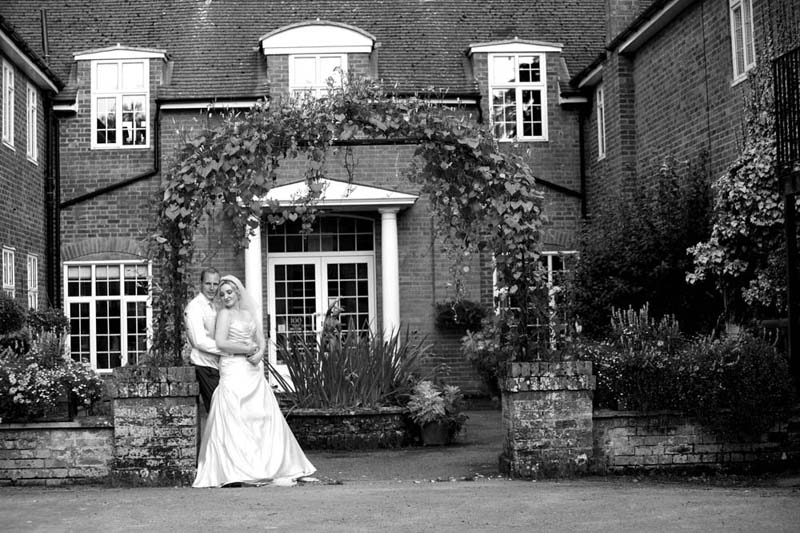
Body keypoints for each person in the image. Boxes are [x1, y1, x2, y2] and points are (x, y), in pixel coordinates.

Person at [193, 275, 316, 488]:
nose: (225, 296)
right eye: (222, 294)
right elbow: (221, 342)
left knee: (260, 414)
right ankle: (237, 468)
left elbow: (260, 338)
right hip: (233, 368)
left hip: (252, 369)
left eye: (229, 292)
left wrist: (259, 353)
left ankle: (268, 463)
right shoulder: (223, 314)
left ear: (238, 292)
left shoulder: (248, 313)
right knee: (236, 414)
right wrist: (247, 350)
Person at [184, 268, 223, 413]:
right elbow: (199, 341)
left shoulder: (216, 306)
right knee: (217, 411)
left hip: (218, 366)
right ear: (200, 284)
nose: (212, 288)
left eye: (215, 284)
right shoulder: (194, 307)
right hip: (205, 367)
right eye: (208, 283)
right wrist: (228, 349)